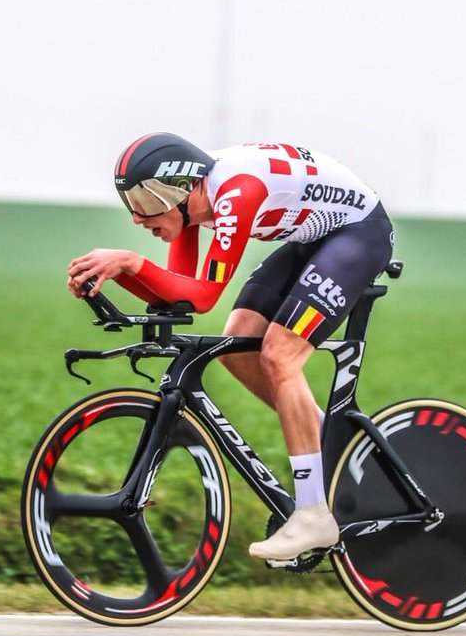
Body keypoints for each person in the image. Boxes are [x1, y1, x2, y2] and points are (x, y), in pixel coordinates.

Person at [66, 133, 394, 561]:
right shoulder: (192, 203)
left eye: (145, 202)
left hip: (359, 234)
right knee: (237, 343)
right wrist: (115, 275)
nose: (137, 217)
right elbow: (179, 294)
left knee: (279, 354)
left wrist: (129, 263)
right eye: (131, 203)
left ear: (181, 188)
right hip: (315, 238)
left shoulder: (237, 192)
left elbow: (202, 296)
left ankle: (313, 515)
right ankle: (331, 445)